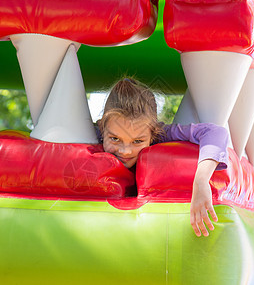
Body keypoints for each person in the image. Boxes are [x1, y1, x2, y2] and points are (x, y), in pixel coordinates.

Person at [96, 77, 229, 237]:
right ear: (102, 127)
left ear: (153, 133)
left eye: (137, 141)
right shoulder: (93, 133)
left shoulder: (161, 134)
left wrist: (201, 180)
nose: (125, 151)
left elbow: (216, 132)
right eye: (115, 139)